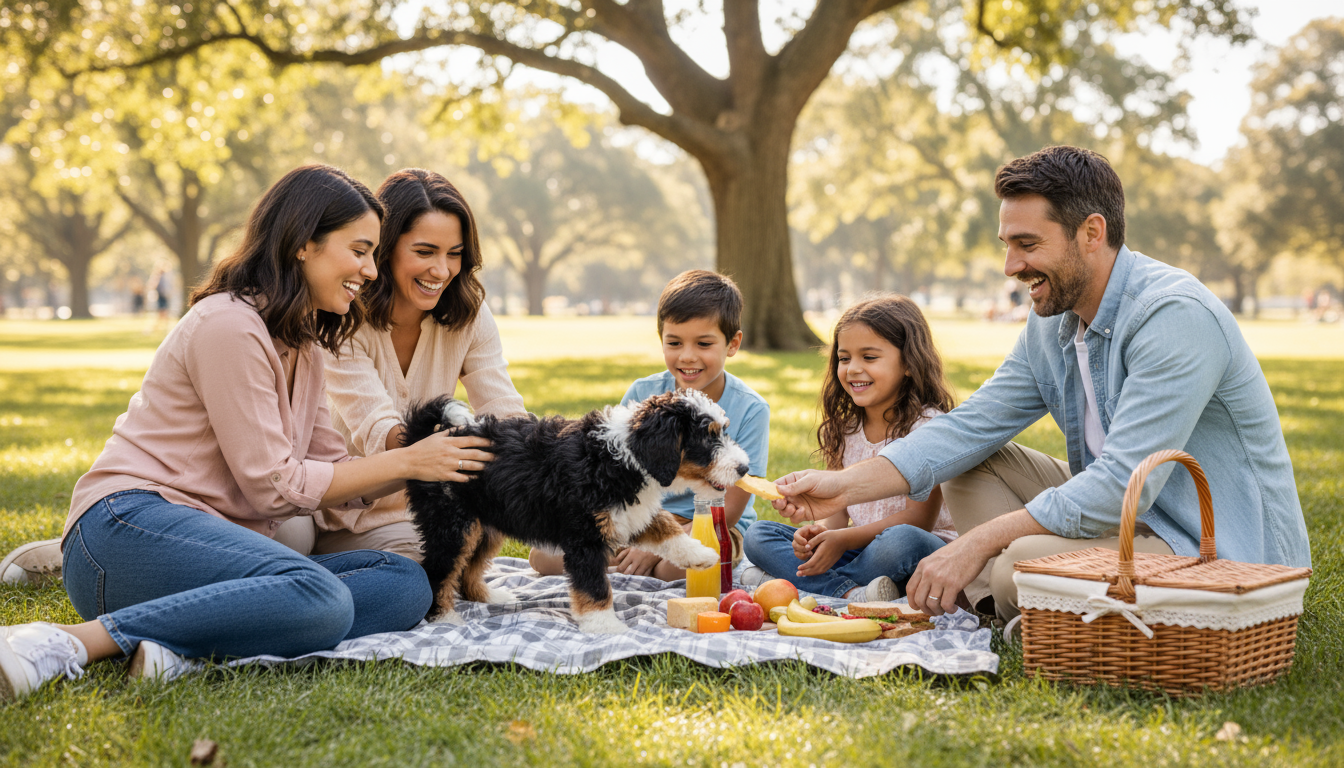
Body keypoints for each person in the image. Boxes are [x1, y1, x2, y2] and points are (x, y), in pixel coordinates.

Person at [0, 165, 479, 703]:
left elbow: (334, 468)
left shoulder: (303, 342)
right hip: (128, 529)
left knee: (403, 584)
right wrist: (408, 462)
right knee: (322, 597)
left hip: (222, 549)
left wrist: (432, 466)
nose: (371, 270)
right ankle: (66, 642)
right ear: (303, 245)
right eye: (360, 250)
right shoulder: (228, 325)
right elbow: (274, 486)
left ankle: (182, 648)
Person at [772, 145, 1311, 622]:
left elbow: (1124, 483)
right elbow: (968, 429)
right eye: (1007, 244)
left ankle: (999, 592)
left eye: (1027, 244)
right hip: (1122, 517)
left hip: (1209, 543)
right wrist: (844, 486)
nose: (1011, 266)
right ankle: (1007, 601)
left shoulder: (1172, 316)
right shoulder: (1051, 320)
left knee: (1015, 571)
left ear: (1092, 233)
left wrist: (978, 543)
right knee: (969, 462)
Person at [272, 168, 527, 561]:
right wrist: (462, 450)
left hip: (411, 515)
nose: (441, 270)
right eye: (424, 252)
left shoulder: (470, 315)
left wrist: (536, 453)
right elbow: (383, 431)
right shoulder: (341, 315)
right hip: (329, 507)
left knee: (438, 562)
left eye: (454, 254)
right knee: (287, 544)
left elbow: (505, 411)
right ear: (385, 249)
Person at [528, 269, 770, 581]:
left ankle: (628, 565)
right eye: (674, 342)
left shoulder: (751, 408)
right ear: (661, 340)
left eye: (703, 343)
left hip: (713, 524)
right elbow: (613, 475)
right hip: (638, 517)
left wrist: (660, 546)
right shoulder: (644, 394)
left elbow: (731, 509)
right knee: (543, 558)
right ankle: (627, 565)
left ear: (732, 344)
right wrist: (640, 537)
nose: (687, 356)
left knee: (673, 568)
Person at [742, 296, 957, 602]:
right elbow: (837, 511)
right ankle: (853, 591)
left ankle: (803, 582)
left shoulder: (928, 427)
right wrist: (818, 535)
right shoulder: (846, 430)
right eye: (844, 358)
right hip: (859, 548)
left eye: (869, 357)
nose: (853, 369)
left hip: (918, 550)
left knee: (902, 541)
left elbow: (918, 520)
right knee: (758, 535)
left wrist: (842, 539)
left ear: (909, 363)